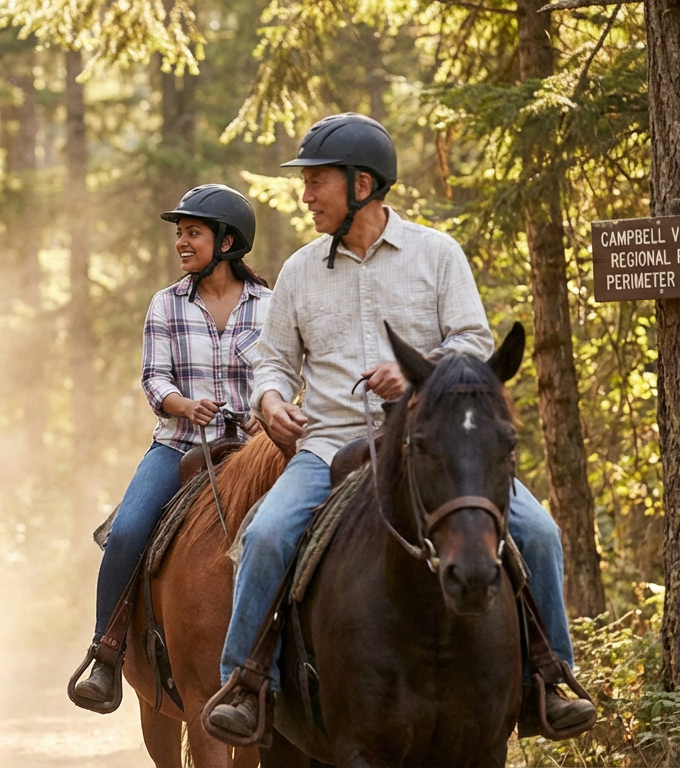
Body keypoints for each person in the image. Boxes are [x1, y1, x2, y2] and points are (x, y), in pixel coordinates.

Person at [203, 113, 597, 739]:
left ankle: (547, 680)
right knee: (266, 535)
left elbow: (472, 341)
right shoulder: (300, 270)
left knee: (540, 533)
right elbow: (272, 363)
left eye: (317, 181)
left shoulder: (437, 255)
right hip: (328, 446)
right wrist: (270, 401)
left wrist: (419, 373)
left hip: (432, 446)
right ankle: (247, 685)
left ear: (361, 184)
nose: (306, 195)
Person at [72, 184, 272, 708]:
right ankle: (106, 652)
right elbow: (153, 378)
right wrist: (183, 405)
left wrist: (266, 410)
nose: (181, 242)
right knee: (126, 531)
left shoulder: (270, 306)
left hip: (255, 450)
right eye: (180, 233)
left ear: (226, 242)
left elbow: (282, 372)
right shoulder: (166, 303)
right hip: (180, 446)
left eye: (193, 233)